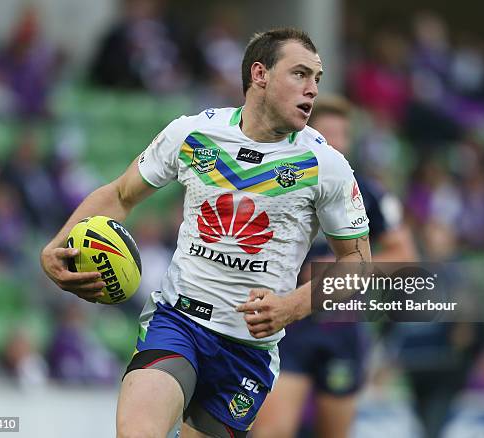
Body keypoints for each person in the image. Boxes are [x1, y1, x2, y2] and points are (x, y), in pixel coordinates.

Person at [40, 28, 371, 438]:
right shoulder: (193, 134)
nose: (312, 90)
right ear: (260, 74)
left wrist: (292, 307)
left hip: (246, 352)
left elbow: (359, 265)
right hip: (178, 322)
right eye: (300, 74)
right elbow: (121, 194)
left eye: (317, 79)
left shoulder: (326, 165)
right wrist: (56, 246)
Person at [254, 96, 416, 438]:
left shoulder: (369, 194)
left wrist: (346, 267)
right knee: (271, 431)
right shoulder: (273, 184)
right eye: (327, 133)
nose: (336, 142)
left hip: (341, 330)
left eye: (343, 134)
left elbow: (405, 260)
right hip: (286, 327)